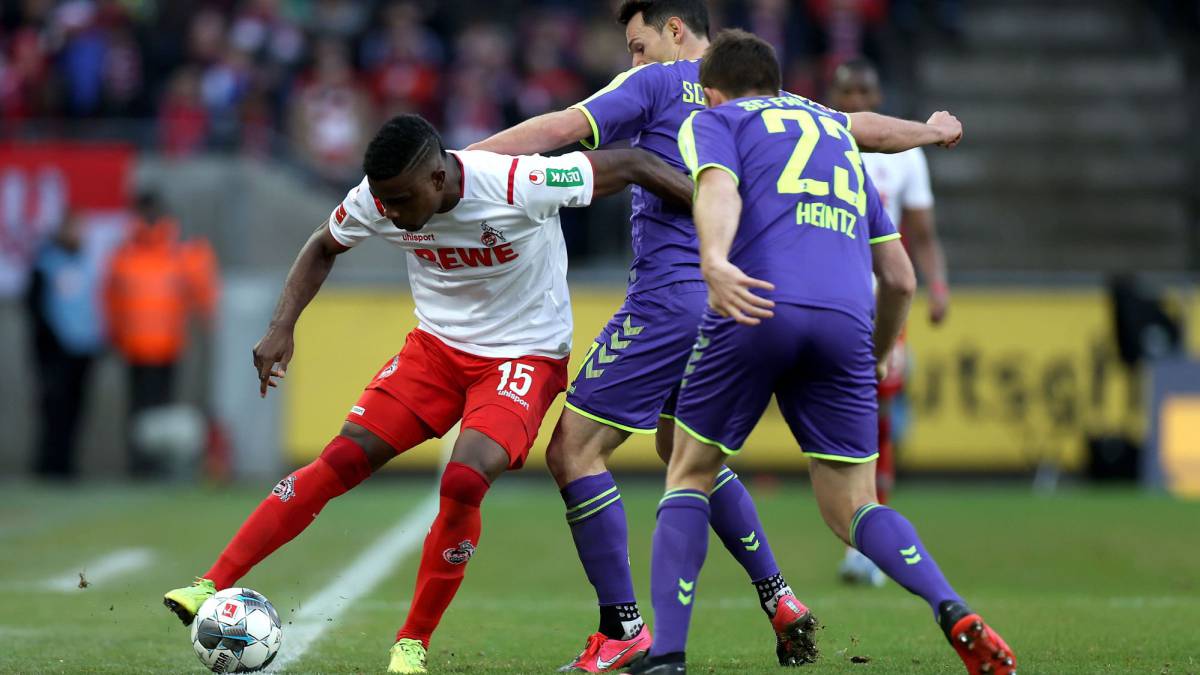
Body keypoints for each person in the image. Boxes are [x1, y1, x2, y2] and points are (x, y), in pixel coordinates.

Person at [468, 1, 964, 669]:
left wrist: (463, 162)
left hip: (671, 296)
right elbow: (862, 130)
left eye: (639, 44)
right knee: (688, 454)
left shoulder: (658, 83)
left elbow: (561, 126)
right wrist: (929, 131)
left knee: (574, 450)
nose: (634, 60)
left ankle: (622, 629)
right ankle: (779, 596)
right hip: (731, 305)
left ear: (675, 30)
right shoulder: (774, 99)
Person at [160, 114, 694, 674]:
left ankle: (412, 642)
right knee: (344, 456)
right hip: (435, 351)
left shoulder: (518, 181)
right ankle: (210, 583)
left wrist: (720, 215)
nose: (389, 212)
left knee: (464, 478)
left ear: (438, 178)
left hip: (523, 355)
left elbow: (633, 162)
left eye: (399, 200)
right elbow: (322, 245)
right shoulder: (376, 197)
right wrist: (281, 327)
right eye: (383, 201)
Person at [630, 30, 1014, 675]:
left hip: (756, 303)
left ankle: (667, 654)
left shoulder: (714, 120)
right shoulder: (835, 138)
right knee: (855, 505)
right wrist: (879, 352)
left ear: (712, 91)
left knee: (689, 470)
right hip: (846, 319)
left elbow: (718, 188)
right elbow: (901, 278)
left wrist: (714, 260)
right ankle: (951, 607)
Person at [827, 56, 952, 587]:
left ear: (876, 98)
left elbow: (921, 233)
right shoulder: (821, 139)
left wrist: (937, 284)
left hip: (883, 305)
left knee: (877, 413)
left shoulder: (904, 156)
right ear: (834, 97)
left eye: (864, 93)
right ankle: (859, 530)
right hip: (831, 295)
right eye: (847, 93)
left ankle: (867, 539)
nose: (855, 101)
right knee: (844, 413)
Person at [104, 192, 219, 477]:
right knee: (141, 411)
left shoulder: (173, 252)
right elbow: (111, 299)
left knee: (157, 411)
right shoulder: (127, 253)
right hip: (139, 347)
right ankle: (140, 466)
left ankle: (153, 465)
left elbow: (200, 291)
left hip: (166, 346)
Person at [25, 215, 107, 479]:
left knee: (77, 409)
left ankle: (68, 463)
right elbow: (36, 309)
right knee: (53, 408)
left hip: (84, 349)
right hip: (55, 351)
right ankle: (49, 463)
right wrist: (50, 342)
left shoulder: (87, 264)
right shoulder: (46, 264)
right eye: (73, 229)